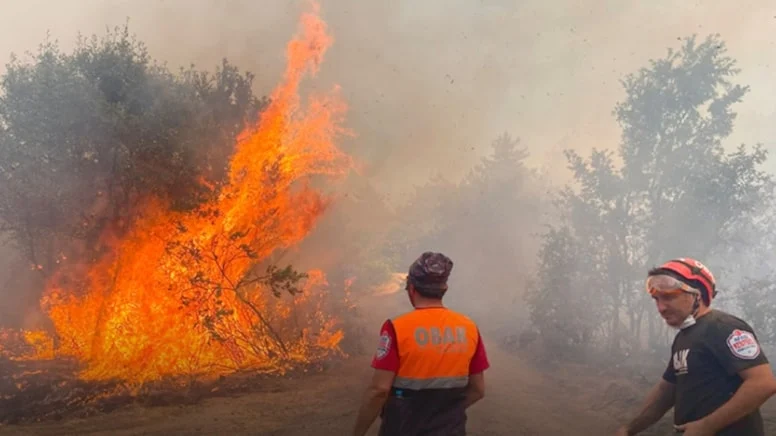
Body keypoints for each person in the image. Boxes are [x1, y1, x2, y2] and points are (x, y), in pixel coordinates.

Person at [615, 258, 776, 436]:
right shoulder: (683, 338)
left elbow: (763, 383)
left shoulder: (723, 327)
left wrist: (707, 426)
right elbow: (666, 391)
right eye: (656, 299)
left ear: (696, 295)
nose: (661, 308)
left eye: (668, 297)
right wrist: (629, 429)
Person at [352, 251, 490, 436]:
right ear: (445, 288)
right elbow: (478, 390)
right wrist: (446, 413)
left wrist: (358, 432)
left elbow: (379, 389)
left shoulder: (396, 328)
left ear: (412, 289)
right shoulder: (469, 327)